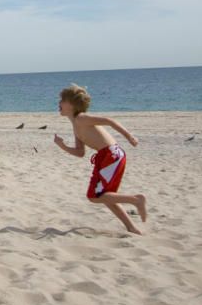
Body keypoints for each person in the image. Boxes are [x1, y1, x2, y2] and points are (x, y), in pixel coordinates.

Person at [53, 83, 149, 234]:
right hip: (105, 157)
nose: (59, 103)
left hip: (111, 155)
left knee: (95, 196)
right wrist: (62, 145)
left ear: (71, 104)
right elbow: (80, 152)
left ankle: (136, 200)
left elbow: (109, 120)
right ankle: (131, 227)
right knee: (105, 196)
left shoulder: (81, 118)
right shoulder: (75, 125)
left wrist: (129, 137)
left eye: (62, 101)